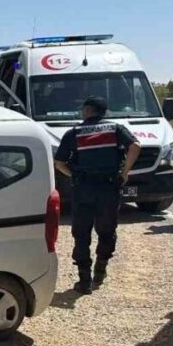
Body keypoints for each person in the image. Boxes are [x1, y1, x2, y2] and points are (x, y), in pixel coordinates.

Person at [54, 96, 142, 294]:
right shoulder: (116, 129)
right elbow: (136, 146)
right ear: (103, 112)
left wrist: (74, 175)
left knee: (81, 233)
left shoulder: (73, 133)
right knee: (107, 230)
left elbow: (59, 163)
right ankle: (100, 271)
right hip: (109, 188)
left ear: (86, 110)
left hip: (83, 189)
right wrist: (125, 172)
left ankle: (84, 281)